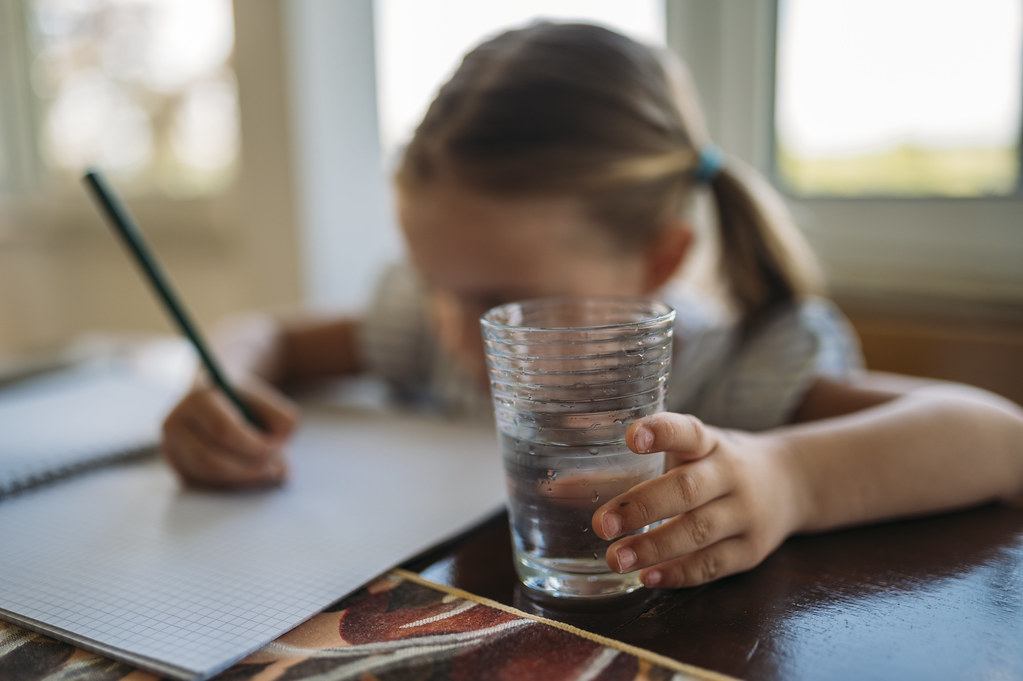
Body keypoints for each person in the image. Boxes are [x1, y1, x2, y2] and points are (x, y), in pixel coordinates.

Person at [161, 22, 1023, 590]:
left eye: (503, 299)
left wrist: (787, 477)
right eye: (434, 284)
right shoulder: (437, 333)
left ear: (660, 259)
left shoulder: (735, 364)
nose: (460, 330)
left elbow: (994, 438)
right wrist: (220, 384)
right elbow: (269, 334)